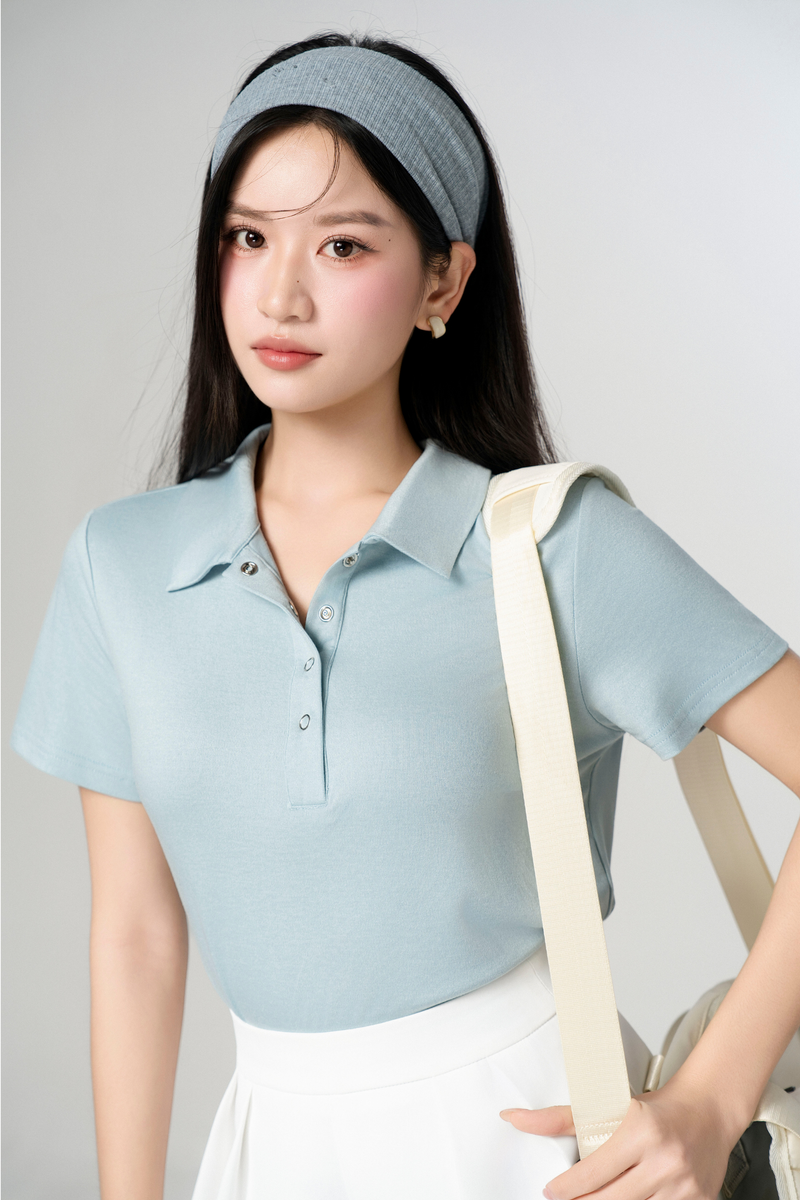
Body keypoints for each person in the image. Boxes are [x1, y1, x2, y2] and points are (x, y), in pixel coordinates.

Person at [11, 31, 800, 1200]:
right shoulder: (119, 568)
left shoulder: (549, 546)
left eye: (341, 244)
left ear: (442, 282)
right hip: (266, 1149)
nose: (279, 292)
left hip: (534, 1145)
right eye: (247, 236)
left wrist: (712, 1095)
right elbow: (134, 934)